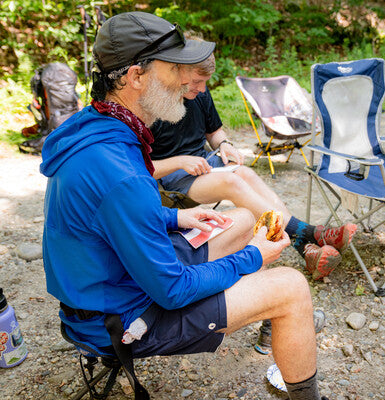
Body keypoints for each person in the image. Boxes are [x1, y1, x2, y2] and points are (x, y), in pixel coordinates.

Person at [40, 12, 328, 400]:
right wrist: (254, 258)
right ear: (136, 76)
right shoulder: (120, 171)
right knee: (291, 287)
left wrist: (175, 216)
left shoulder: (95, 128)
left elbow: (104, 217)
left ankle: (257, 307)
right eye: (176, 69)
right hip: (117, 316)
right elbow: (172, 290)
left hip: (112, 279)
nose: (186, 81)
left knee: (241, 219)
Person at [149, 41, 357, 282]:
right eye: (197, 82)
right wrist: (179, 162)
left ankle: (305, 247)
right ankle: (312, 233)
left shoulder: (200, 95)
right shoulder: (154, 106)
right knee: (232, 182)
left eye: (206, 82)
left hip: (205, 164)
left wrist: (225, 145)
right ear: (178, 72)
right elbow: (142, 170)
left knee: (246, 175)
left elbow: (215, 132)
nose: (203, 89)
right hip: (172, 179)